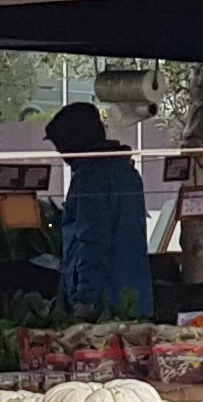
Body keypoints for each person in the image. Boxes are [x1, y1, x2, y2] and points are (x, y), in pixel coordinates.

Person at [41, 99, 153, 318]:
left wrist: (85, 297)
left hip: (103, 304)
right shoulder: (126, 171)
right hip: (133, 297)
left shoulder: (90, 177)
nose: (61, 155)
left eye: (60, 147)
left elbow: (93, 238)